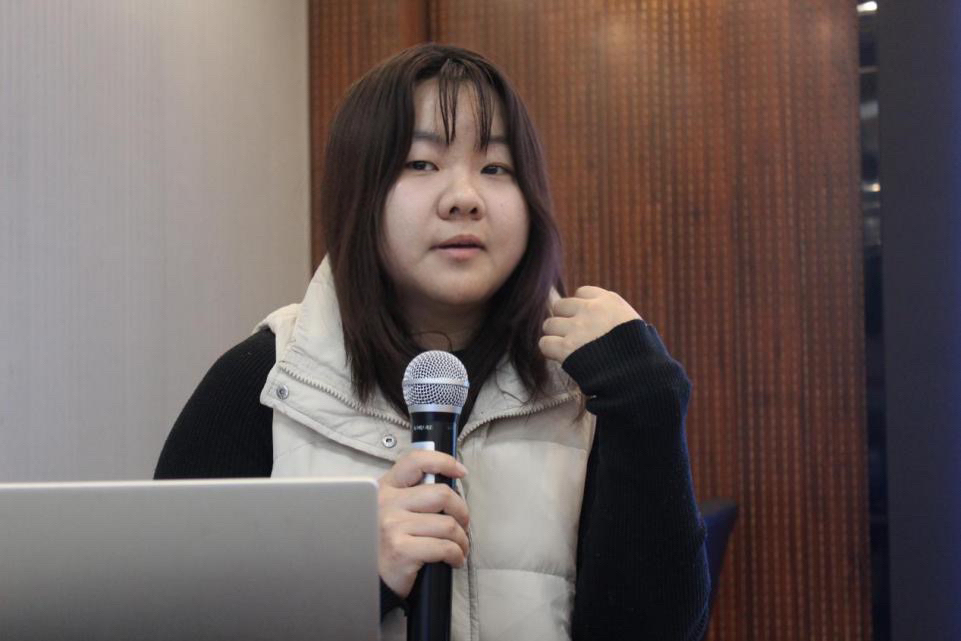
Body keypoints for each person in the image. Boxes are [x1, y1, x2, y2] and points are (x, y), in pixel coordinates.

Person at [155, 43, 710, 640]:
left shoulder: (590, 389)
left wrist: (648, 403)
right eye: (422, 164)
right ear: (359, 192)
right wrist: (350, 577)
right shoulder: (261, 382)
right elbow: (160, 619)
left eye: (496, 168)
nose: (464, 197)